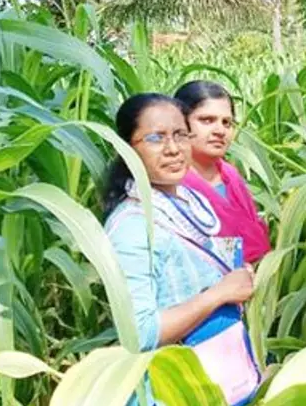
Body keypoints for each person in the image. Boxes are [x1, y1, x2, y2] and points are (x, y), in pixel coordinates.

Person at [104, 93, 261, 405]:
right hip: (170, 390)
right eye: (155, 138)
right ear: (126, 148)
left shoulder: (189, 201)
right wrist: (220, 293)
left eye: (180, 134)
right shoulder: (132, 226)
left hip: (212, 376)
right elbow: (140, 333)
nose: (173, 148)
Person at [175, 80, 272, 265]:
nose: (220, 131)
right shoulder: (174, 186)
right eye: (207, 120)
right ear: (179, 123)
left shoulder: (231, 175)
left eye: (227, 123)